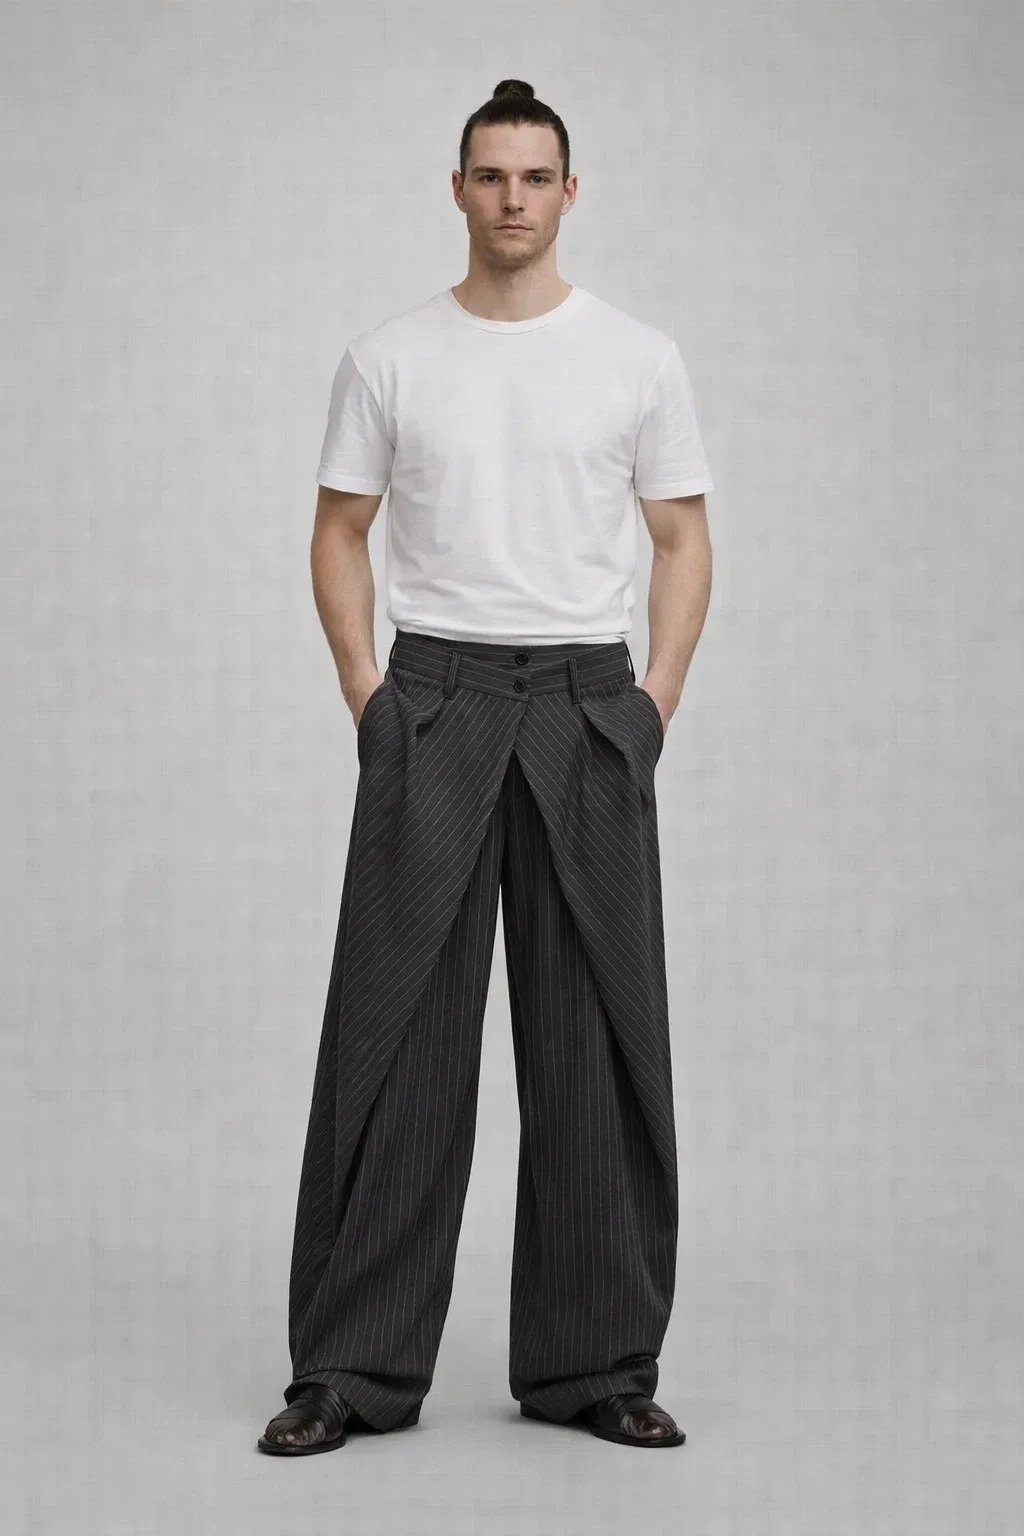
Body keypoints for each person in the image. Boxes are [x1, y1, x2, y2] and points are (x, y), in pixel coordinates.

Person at [258, 77, 714, 1457]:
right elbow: (339, 530)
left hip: (584, 703)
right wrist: (369, 698)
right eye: (490, 174)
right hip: (436, 698)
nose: (513, 197)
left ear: (570, 193)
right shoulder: (390, 358)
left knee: (596, 1044)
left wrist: (650, 706)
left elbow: (683, 540)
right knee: (392, 1038)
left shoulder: (638, 358)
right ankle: (350, 1366)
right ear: (456, 189)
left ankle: (595, 1366)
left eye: (535, 176)